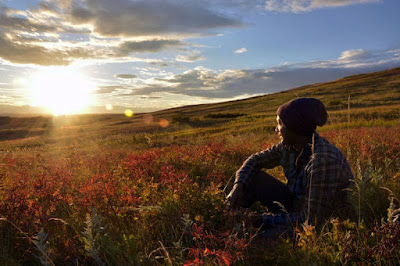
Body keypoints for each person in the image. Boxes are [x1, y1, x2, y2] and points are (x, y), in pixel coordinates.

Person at [227, 97, 354, 234]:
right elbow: (254, 160)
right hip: (296, 204)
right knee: (252, 177)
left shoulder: (322, 161)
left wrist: (261, 219)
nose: (276, 129)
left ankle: (244, 229)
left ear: (294, 127)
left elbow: (311, 220)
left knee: (261, 238)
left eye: (280, 123)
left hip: (323, 223)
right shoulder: (289, 146)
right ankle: (230, 216)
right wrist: (238, 185)